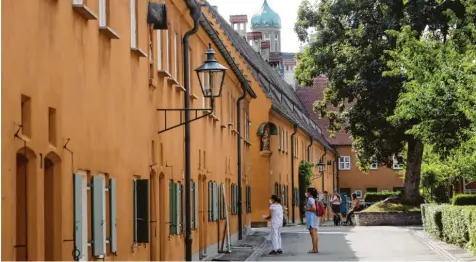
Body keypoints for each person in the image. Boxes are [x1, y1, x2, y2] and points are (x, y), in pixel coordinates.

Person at [305, 188, 319, 253]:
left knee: (312, 232)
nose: (306, 193)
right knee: (315, 232)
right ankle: (316, 248)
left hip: (311, 217)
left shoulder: (310, 199)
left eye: (307, 192)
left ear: (309, 193)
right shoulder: (314, 198)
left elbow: (314, 208)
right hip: (315, 217)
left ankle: (314, 248)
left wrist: (306, 209)